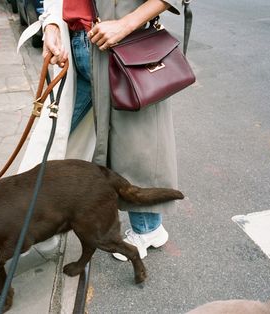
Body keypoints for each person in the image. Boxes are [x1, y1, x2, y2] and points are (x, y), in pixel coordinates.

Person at [22, 0, 181, 261]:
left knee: (133, 143)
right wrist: (51, 24)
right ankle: (33, 223)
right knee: (57, 140)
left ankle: (147, 229)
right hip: (76, 46)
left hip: (121, 45)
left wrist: (124, 25)